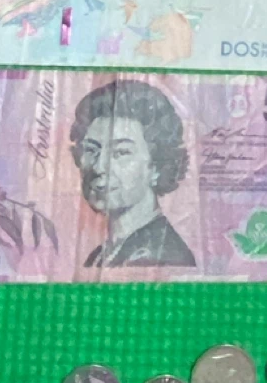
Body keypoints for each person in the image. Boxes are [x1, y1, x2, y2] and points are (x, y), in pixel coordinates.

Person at [70, 79, 196, 268]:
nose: (99, 167)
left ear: (156, 166)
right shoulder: (99, 256)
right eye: (91, 150)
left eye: (121, 153)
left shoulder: (162, 255)